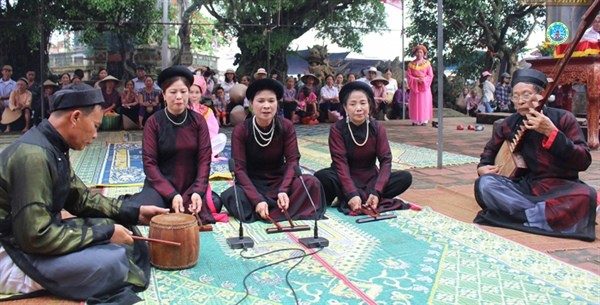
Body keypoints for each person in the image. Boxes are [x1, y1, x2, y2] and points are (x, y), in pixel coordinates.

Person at [0, 83, 169, 303]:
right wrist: (106, 234)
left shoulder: (52, 146)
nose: (96, 135)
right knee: (109, 262)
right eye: (96, 126)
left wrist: (134, 212)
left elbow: (80, 198)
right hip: (13, 251)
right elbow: (35, 237)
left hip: (31, 238)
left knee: (121, 229)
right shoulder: (33, 156)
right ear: (76, 117)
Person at [474, 68, 596, 241]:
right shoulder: (508, 124)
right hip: (525, 186)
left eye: (526, 94)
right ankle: (546, 215)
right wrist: (482, 167)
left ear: (540, 96)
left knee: (586, 195)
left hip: (561, 186)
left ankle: (523, 214)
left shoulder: (564, 119)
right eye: (515, 96)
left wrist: (552, 133)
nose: (520, 101)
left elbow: (583, 160)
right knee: (485, 185)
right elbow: (489, 151)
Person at [221, 79, 326, 223]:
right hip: (252, 184)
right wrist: (256, 199)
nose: (266, 106)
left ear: (277, 103)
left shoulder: (286, 126)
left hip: (280, 180)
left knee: (311, 183)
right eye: (261, 101)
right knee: (232, 195)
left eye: (271, 101)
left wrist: (283, 190)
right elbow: (238, 170)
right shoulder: (241, 130)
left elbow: (292, 161)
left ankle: (271, 210)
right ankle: (270, 208)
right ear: (251, 104)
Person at [127, 66, 218, 224]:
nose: (179, 97)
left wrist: (197, 191)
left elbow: (204, 160)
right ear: (163, 95)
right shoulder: (153, 122)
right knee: (146, 208)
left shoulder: (198, 121)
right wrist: (171, 194)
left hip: (190, 186)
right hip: (161, 186)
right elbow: (150, 164)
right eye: (173, 92)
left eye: (183, 92)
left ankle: (190, 197)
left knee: (214, 203)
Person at [314, 81, 414, 215]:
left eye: (363, 103)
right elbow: (340, 163)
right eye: (353, 104)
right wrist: (351, 193)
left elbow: (386, 161)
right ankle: (350, 197)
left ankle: (366, 197)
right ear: (345, 107)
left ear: (370, 105)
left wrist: (377, 191)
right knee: (321, 177)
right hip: (345, 176)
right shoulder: (337, 129)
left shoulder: (378, 128)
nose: (359, 108)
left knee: (405, 177)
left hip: (370, 178)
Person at [407, 45, 433, 126]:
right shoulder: (411, 64)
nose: (419, 54)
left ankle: (424, 120)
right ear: (415, 53)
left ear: (423, 53)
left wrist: (424, 80)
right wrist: (416, 80)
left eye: (420, 52)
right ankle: (415, 120)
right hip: (415, 86)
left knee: (424, 102)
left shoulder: (427, 63)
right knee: (415, 103)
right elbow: (408, 75)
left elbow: (430, 75)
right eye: (417, 52)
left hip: (424, 87)